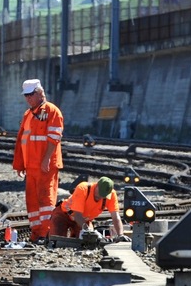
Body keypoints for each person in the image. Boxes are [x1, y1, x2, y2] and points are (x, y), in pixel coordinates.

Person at [12, 78, 64, 242]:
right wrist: (20, 164)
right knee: (33, 203)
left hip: (45, 166)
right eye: (25, 95)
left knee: (46, 200)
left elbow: (54, 137)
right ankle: (36, 233)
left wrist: (46, 159)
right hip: (31, 167)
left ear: (40, 93)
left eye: (30, 95)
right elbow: (22, 141)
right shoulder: (29, 114)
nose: (27, 98)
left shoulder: (51, 111)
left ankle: (47, 233)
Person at [50, 176, 125, 240]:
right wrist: (88, 230)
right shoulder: (83, 188)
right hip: (63, 215)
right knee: (57, 240)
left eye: (104, 195)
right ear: (96, 186)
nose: (101, 197)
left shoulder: (111, 195)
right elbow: (77, 215)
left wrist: (120, 235)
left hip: (83, 219)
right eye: (100, 194)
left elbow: (116, 217)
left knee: (87, 242)